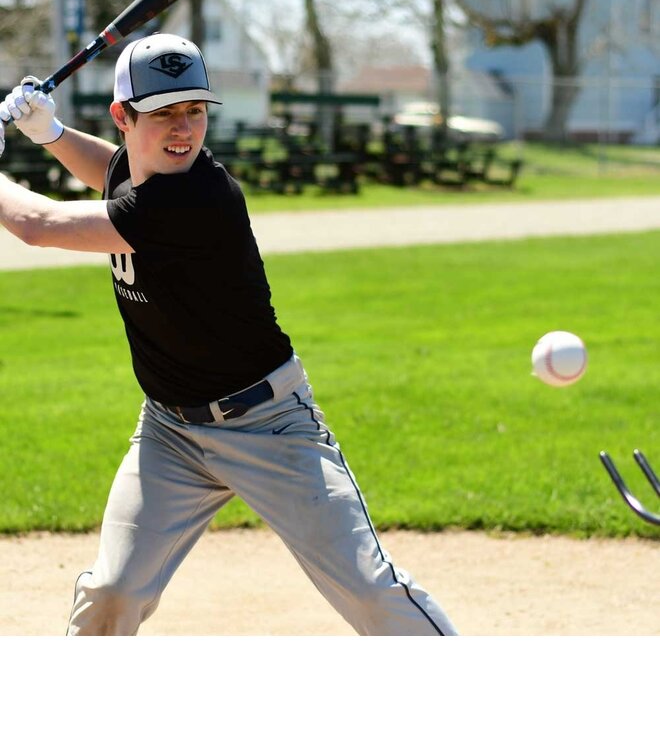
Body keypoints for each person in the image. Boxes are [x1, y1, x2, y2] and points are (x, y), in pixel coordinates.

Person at [0, 32, 458, 636]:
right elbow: (108, 169)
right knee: (113, 591)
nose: (182, 127)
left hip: (270, 426)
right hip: (169, 432)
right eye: (163, 112)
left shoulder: (196, 195)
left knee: (370, 592)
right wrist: (50, 134)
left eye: (194, 110)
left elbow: (38, 225)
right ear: (123, 118)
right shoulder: (142, 172)